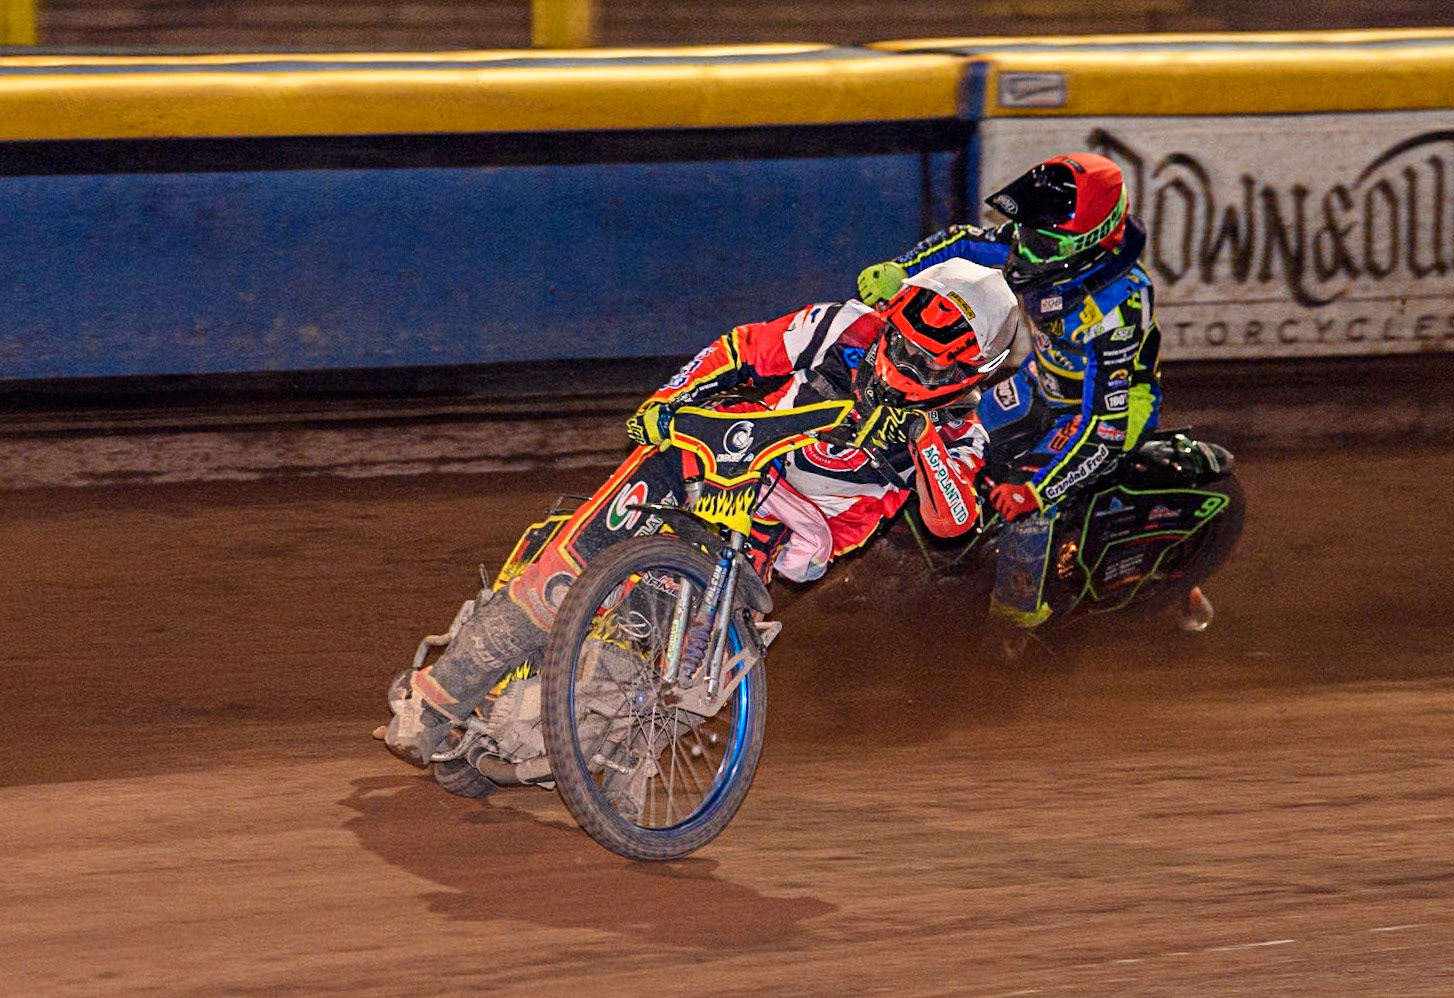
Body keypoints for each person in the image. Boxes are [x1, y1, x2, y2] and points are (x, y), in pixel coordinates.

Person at [384, 258, 1023, 770]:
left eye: (925, 360)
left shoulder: (961, 433)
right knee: (560, 577)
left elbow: (953, 522)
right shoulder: (842, 326)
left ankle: (608, 749)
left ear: (969, 371)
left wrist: (925, 442)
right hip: (724, 453)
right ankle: (436, 700)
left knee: (684, 663)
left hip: (785, 527)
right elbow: (742, 350)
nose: (901, 361)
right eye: (899, 340)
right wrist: (667, 400)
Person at [857, 153, 1162, 627]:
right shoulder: (1043, 246)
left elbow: (1103, 425)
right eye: (1020, 230)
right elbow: (964, 243)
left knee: (1026, 510)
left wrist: (1036, 488)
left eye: (1035, 237)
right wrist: (902, 270)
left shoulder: (1118, 308)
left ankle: (1013, 631)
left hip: (1105, 414)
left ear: (1083, 243)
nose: (1019, 245)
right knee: (952, 426)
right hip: (1041, 381)